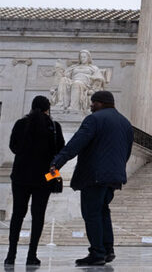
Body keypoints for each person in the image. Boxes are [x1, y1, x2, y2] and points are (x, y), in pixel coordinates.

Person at [50, 91, 134, 267]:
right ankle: (107, 249)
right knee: (103, 211)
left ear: (100, 103)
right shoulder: (125, 123)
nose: (90, 106)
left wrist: (56, 164)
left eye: (93, 103)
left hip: (94, 174)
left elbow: (76, 144)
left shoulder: (94, 119)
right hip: (113, 176)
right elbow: (126, 151)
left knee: (91, 213)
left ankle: (97, 252)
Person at [6, 96, 64, 266]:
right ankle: (32, 255)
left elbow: (13, 146)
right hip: (44, 177)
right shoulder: (53, 126)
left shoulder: (21, 124)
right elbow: (60, 149)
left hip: (21, 175)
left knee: (17, 214)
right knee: (38, 216)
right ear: (48, 108)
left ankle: (11, 254)